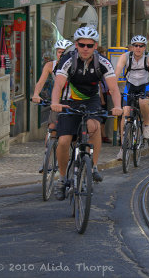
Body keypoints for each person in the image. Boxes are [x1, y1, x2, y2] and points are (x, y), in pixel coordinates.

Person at [51, 27, 123, 200]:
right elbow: (58, 86)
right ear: (76, 45)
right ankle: (62, 179)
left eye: (89, 45)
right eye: (81, 44)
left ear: (95, 46)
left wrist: (118, 106)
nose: (85, 48)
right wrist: (55, 103)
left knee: (94, 126)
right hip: (69, 101)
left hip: (91, 100)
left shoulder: (103, 62)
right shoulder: (67, 60)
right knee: (63, 141)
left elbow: (113, 89)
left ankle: (93, 167)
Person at [32, 39, 73, 173]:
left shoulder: (74, 65)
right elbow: (41, 81)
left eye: (64, 52)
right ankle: (46, 160)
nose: (61, 55)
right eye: (59, 52)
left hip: (72, 101)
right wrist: (36, 94)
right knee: (52, 128)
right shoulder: (50, 65)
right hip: (57, 101)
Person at [114, 35, 149, 158]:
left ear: (144, 47)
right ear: (132, 47)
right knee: (125, 111)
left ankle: (146, 125)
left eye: (141, 46)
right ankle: (123, 148)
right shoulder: (125, 56)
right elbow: (117, 72)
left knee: (143, 103)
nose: (138, 48)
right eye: (135, 45)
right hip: (130, 85)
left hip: (146, 85)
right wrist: (113, 89)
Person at [97, 46, 112, 144]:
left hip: (105, 93)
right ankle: (102, 135)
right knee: (101, 116)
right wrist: (102, 99)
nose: (105, 55)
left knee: (104, 116)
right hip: (101, 94)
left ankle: (103, 135)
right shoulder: (99, 65)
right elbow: (99, 84)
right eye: (103, 53)